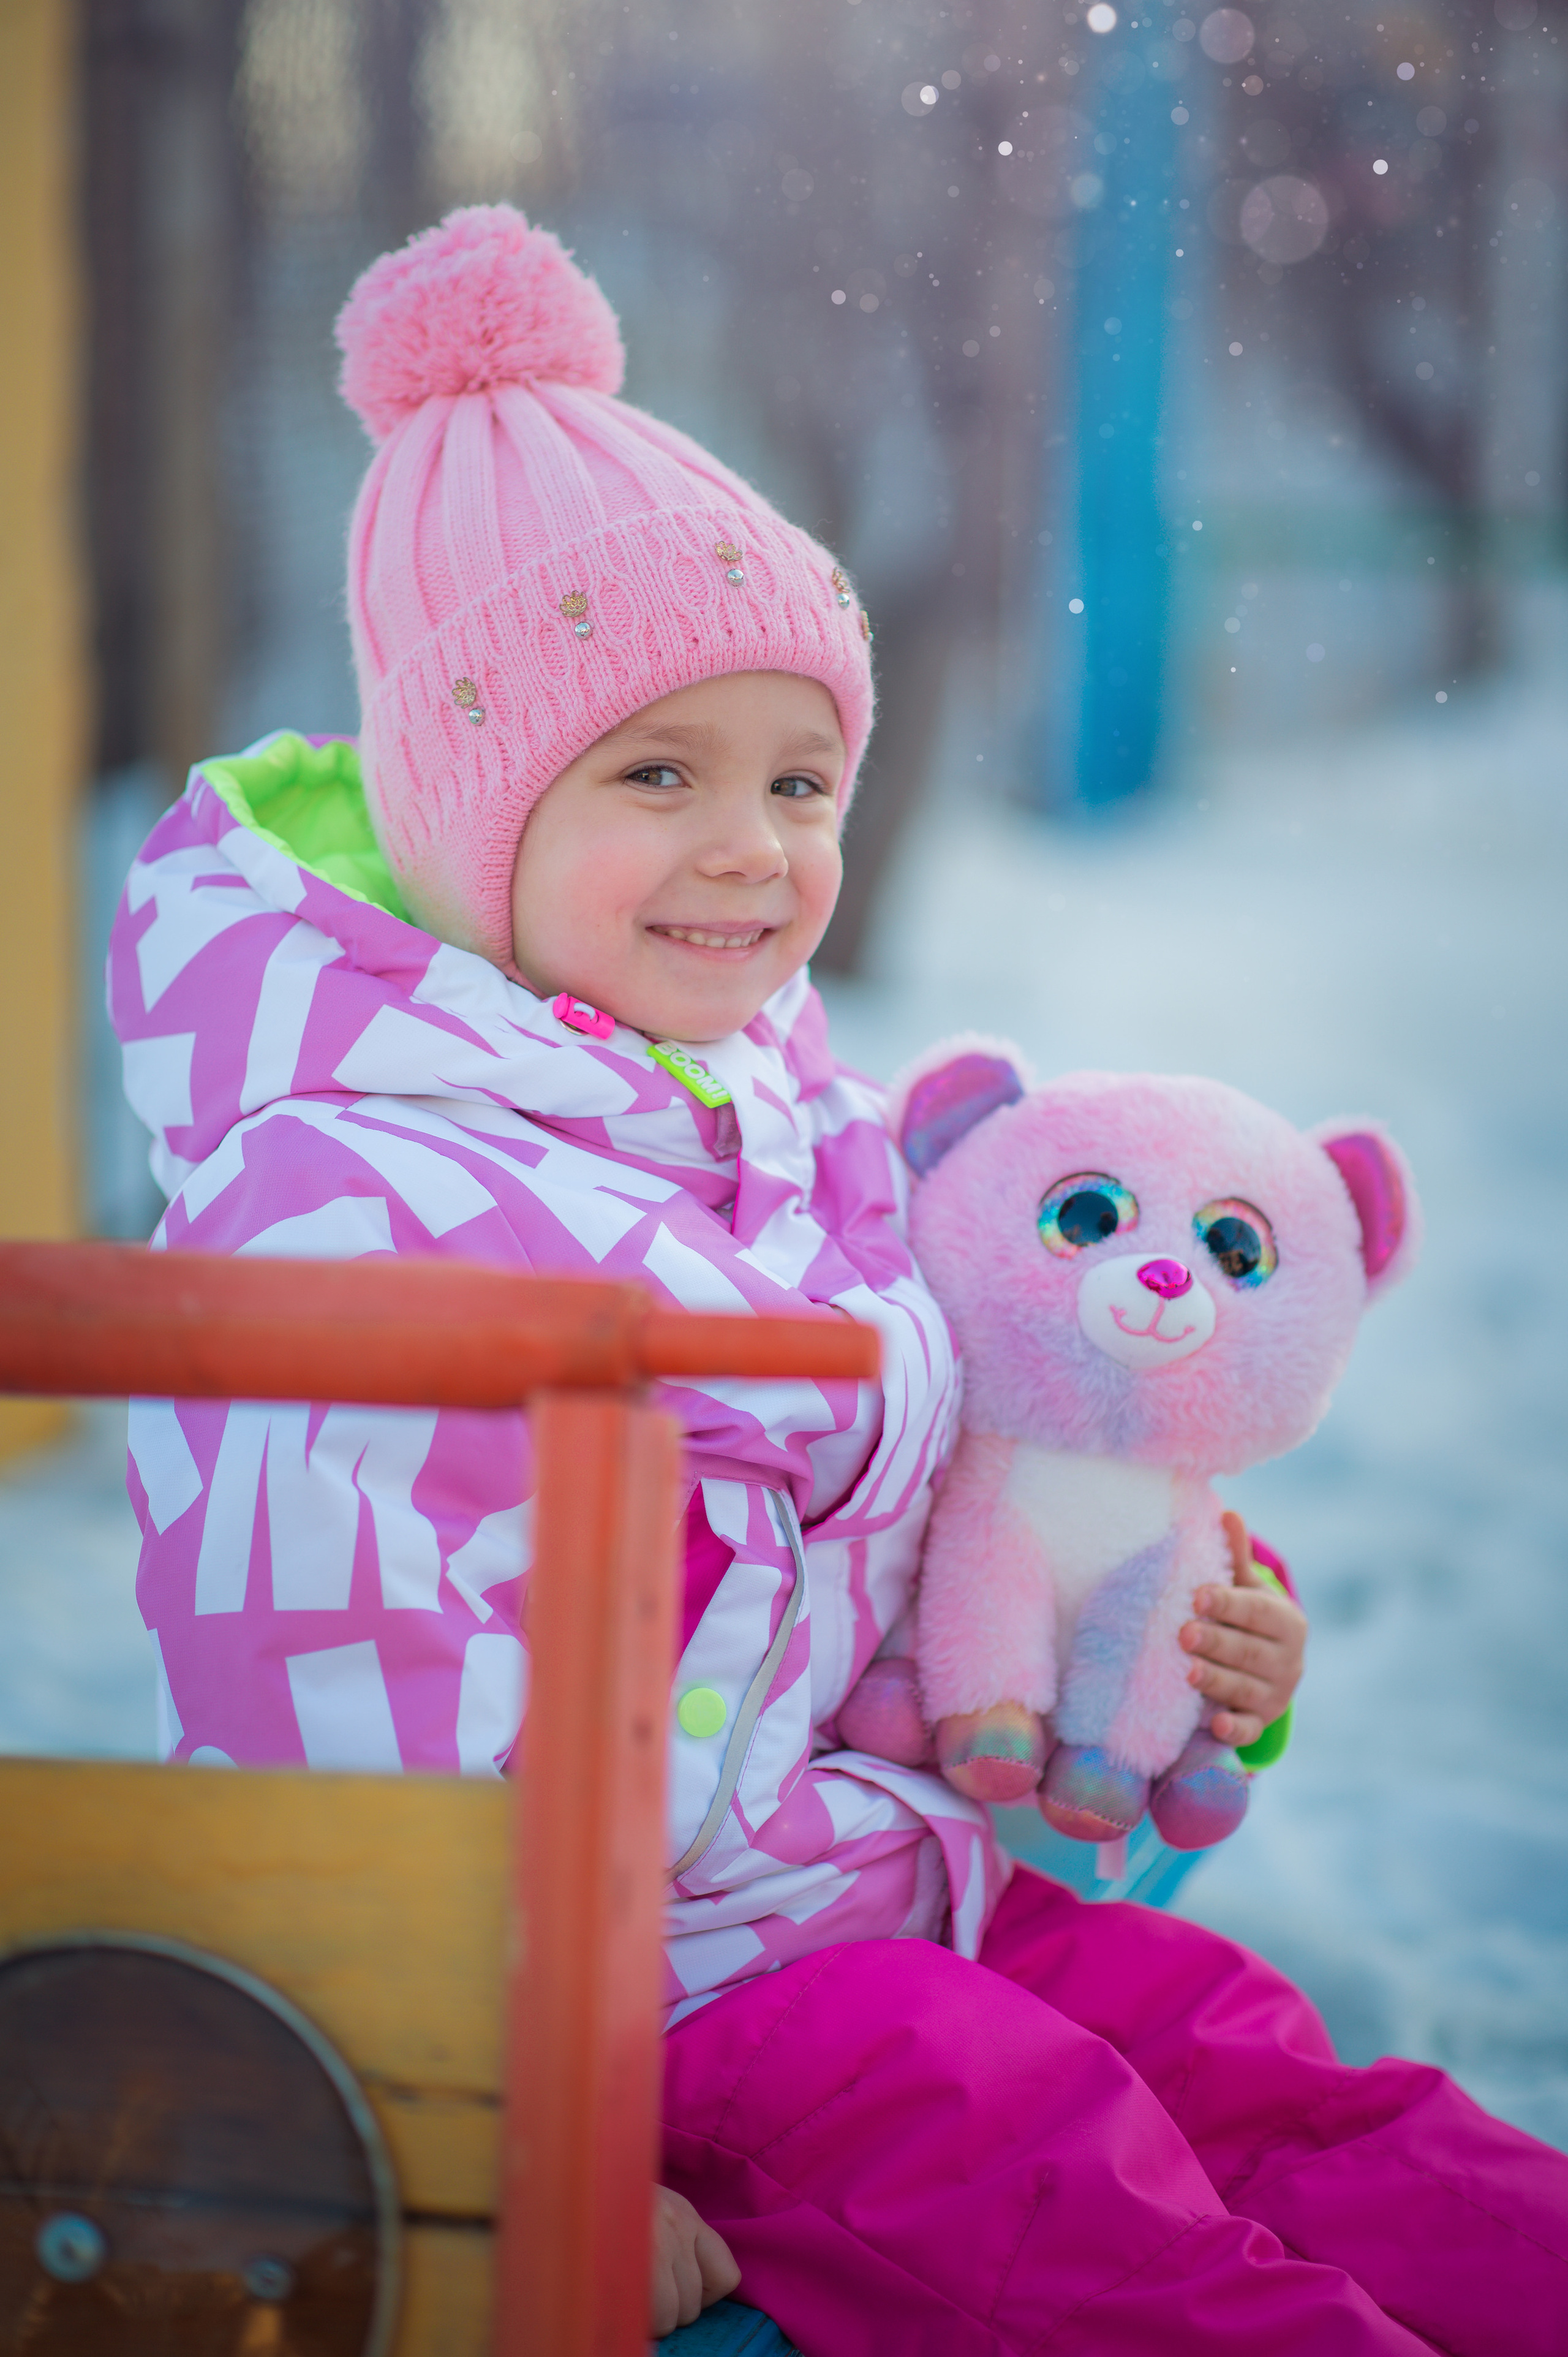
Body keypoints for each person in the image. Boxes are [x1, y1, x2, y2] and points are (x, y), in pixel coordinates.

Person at [111, 206, 1567, 2351]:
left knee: (1251, 2058)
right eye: (654, 777)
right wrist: (505, 2145)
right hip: (647, 2012)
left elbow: (937, 1503)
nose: (752, 848)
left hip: (891, 1896)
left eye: (800, 780)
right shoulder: (345, 1206)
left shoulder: (785, 1117)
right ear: (460, 814)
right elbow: (324, 1733)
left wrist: (1143, 1629)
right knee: (1047, 2166)